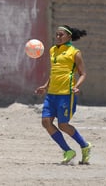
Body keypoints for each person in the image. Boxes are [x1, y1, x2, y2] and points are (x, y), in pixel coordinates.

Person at [34, 25, 92, 164]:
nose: (58, 37)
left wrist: (77, 87)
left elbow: (83, 74)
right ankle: (68, 151)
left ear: (69, 37)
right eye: (57, 34)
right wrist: (45, 86)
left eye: (61, 35)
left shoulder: (75, 52)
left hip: (66, 94)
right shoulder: (53, 50)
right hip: (51, 94)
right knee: (46, 122)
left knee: (63, 125)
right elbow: (55, 72)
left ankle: (85, 146)